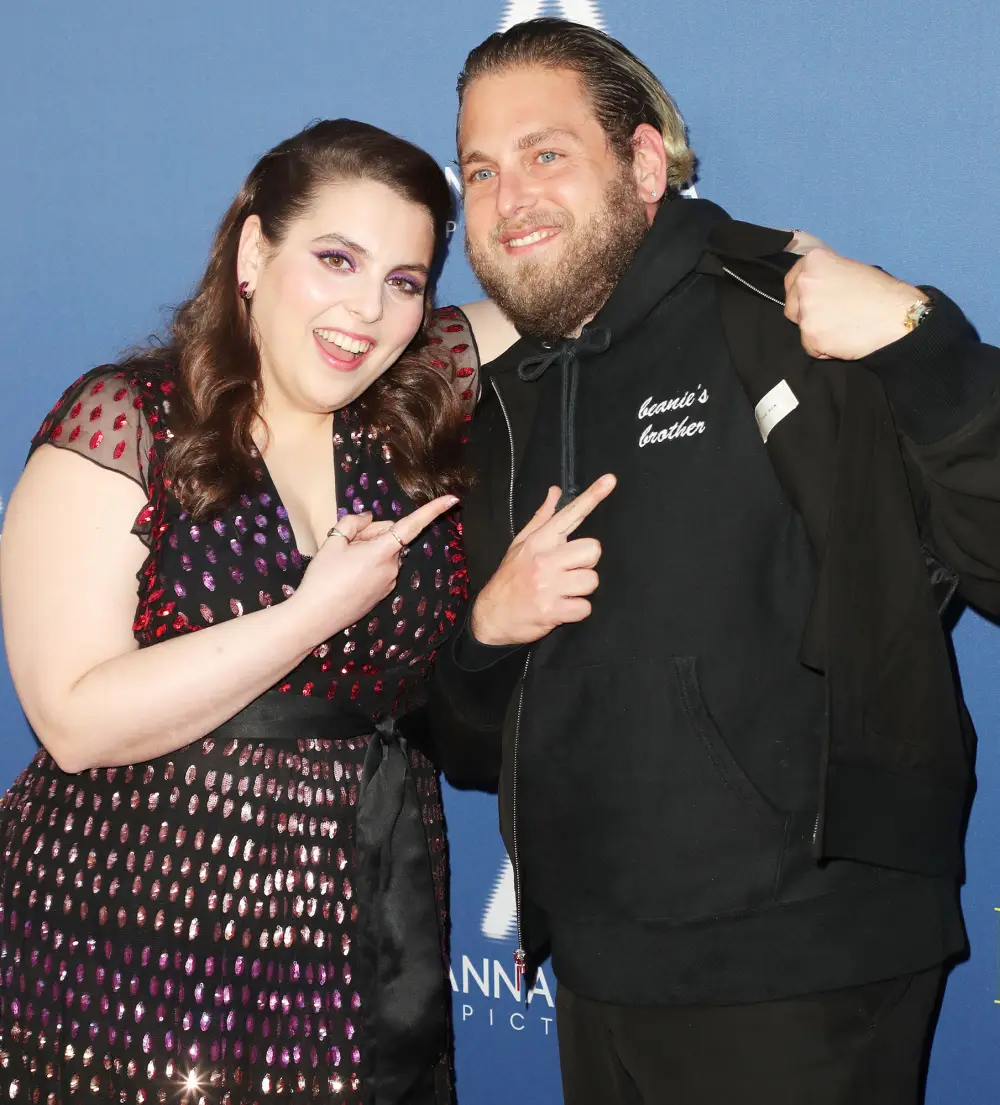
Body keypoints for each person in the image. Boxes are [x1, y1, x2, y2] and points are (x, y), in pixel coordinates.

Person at [431, 18, 1000, 1105]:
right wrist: (483, 641)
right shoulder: (505, 403)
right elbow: (467, 746)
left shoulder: (788, 308)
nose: (509, 198)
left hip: (807, 966)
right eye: (482, 170)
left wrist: (922, 340)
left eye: (546, 153)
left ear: (645, 163)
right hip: (595, 972)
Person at [0, 119, 483, 1105]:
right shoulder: (129, 419)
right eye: (336, 259)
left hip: (356, 941)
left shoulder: (405, 403)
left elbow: (569, 280)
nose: (368, 308)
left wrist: (789, 265)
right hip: (121, 957)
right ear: (254, 252)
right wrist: (310, 614)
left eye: (404, 279)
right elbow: (73, 719)